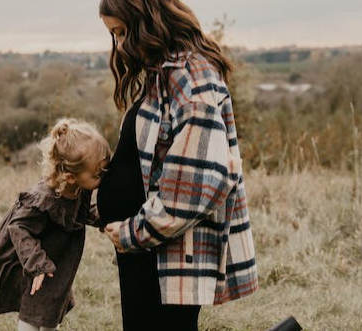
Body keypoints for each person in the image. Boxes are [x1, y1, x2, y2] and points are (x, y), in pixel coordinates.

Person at [96, 1, 259, 331]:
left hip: (163, 250)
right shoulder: (164, 74)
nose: (121, 44)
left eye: (122, 32)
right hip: (148, 251)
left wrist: (132, 232)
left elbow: (195, 186)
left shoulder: (191, 79)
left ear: (147, 20)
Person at [0, 118, 110, 331]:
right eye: (98, 174)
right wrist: (37, 264)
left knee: (51, 308)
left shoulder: (79, 188)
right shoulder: (44, 200)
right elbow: (18, 227)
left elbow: (78, 214)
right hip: (30, 261)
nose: (103, 178)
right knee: (33, 312)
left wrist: (108, 216)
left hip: (55, 259)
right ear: (71, 176)